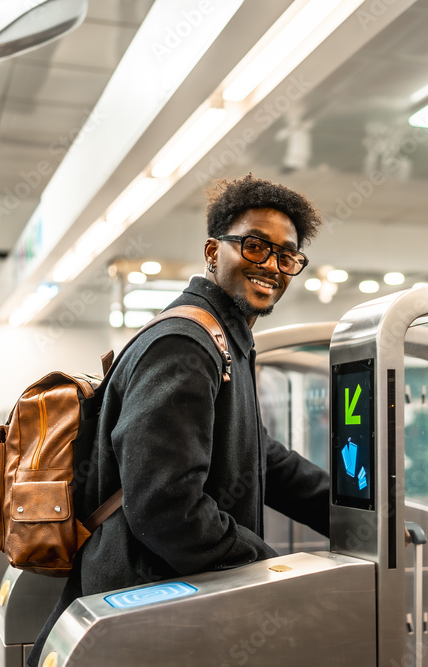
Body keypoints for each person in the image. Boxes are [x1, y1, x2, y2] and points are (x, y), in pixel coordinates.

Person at [27, 174, 331, 665]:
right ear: (213, 252)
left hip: (170, 603)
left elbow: (260, 455)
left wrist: (352, 513)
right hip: (141, 611)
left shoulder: (225, 342)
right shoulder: (185, 344)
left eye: (286, 256)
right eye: (255, 246)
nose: (271, 265)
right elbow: (165, 505)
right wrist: (265, 568)